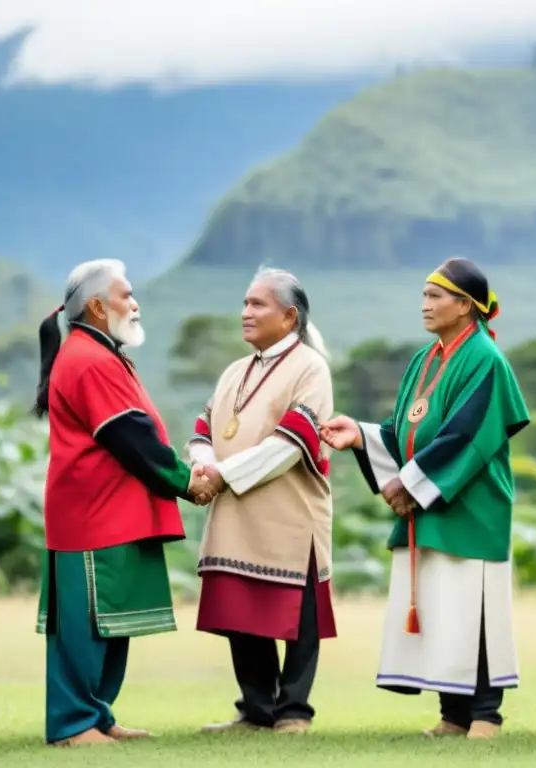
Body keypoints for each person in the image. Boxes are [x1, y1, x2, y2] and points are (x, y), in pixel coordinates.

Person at [320, 257, 529, 740]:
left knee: (472, 609)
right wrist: (360, 435)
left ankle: (484, 715)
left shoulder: (486, 360)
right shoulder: (426, 358)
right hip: (434, 502)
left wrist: (410, 485)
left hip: (472, 505)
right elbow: (405, 433)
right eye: (424, 295)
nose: (425, 305)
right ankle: (453, 715)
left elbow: (466, 437)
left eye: (436, 296)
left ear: (466, 306)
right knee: (440, 609)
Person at [32, 259, 218, 747]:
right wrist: (188, 481)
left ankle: (97, 715)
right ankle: (73, 723)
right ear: (96, 306)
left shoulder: (99, 354)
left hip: (113, 512)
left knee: (111, 622)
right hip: (93, 513)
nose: (135, 304)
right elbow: (130, 436)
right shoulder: (88, 360)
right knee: (86, 624)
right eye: (126, 295)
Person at [186, 266, 336, 735]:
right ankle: (256, 710)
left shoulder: (311, 368)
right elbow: (203, 429)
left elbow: (290, 445)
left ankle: (293, 711)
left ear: (290, 316)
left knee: (299, 615)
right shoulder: (235, 370)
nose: (245, 313)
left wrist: (221, 475)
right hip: (236, 512)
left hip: (291, 514)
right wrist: (202, 465)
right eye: (245, 303)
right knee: (241, 612)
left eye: (257, 304)